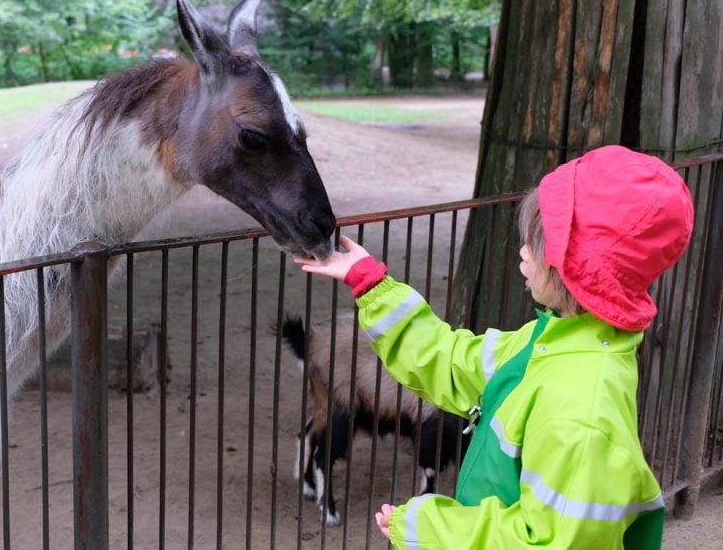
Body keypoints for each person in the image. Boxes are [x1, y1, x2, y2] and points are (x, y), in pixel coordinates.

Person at [295, 145, 694, 549]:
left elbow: (546, 543)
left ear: (573, 264)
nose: (522, 250)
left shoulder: (582, 414)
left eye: (537, 242)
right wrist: (371, 285)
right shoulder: (548, 341)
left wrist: (430, 526)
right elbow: (452, 361)